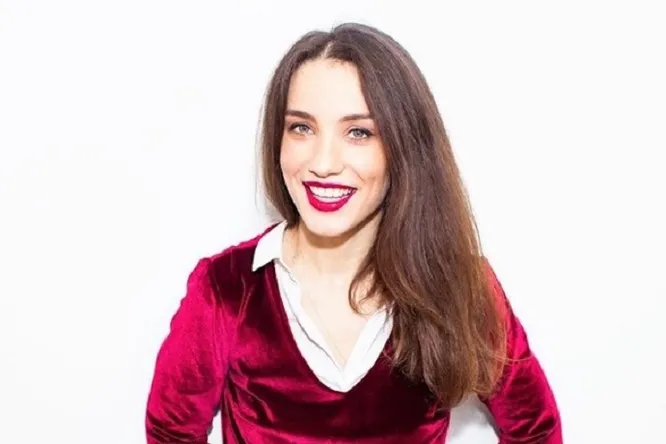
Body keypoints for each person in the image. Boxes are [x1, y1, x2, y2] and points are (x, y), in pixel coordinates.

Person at [145, 22, 562, 443]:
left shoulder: (460, 285)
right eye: (301, 128)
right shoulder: (226, 288)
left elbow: (536, 431)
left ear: (403, 148)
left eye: (358, 132)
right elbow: (170, 433)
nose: (323, 163)